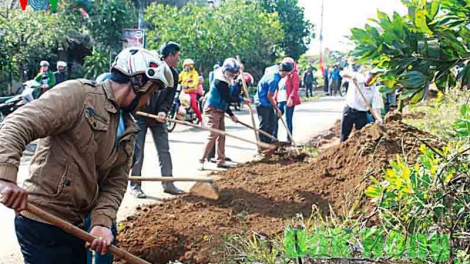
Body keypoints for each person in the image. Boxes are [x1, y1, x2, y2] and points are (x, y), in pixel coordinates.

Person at [0, 47, 173, 264]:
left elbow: (115, 183)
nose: (148, 101)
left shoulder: (129, 129)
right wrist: (5, 177)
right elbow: (17, 125)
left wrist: (101, 223)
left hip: (76, 226)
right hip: (41, 221)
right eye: (151, 93)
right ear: (139, 82)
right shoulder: (79, 95)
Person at [130, 41, 183, 199]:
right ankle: (135, 185)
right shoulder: (149, 69)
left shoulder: (173, 75)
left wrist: (163, 111)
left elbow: (169, 98)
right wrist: (139, 108)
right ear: (170, 55)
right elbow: (140, 91)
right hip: (140, 114)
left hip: (158, 118)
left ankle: (168, 183)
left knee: (164, 149)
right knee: (138, 151)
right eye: (177, 56)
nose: (178, 59)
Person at [199, 58, 250, 170]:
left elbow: (226, 100)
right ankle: (201, 160)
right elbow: (227, 98)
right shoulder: (220, 81)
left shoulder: (228, 79)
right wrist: (241, 101)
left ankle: (220, 160)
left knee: (222, 135)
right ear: (225, 70)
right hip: (212, 110)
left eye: (234, 74)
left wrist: (231, 114)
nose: (232, 76)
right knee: (213, 134)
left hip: (220, 108)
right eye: (230, 73)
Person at [339, 59, 383, 142]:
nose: (370, 79)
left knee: (361, 136)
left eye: (373, 78)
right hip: (349, 110)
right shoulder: (357, 77)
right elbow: (341, 73)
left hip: (361, 114)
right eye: (370, 76)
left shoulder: (375, 91)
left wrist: (379, 119)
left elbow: (376, 108)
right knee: (344, 135)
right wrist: (350, 77)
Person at [255, 60, 292, 148]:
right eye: (287, 73)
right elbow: (269, 96)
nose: (287, 75)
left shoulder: (275, 72)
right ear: (284, 72)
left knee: (271, 123)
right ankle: (262, 146)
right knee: (264, 125)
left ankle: (269, 144)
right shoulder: (274, 79)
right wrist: (277, 109)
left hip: (267, 103)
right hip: (262, 102)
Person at [273, 57, 301, 142]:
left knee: (288, 120)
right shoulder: (280, 75)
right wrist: (274, 99)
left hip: (288, 100)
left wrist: (291, 98)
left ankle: (289, 139)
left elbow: (295, 87)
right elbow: (276, 88)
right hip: (280, 100)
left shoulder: (294, 75)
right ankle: (274, 137)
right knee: (275, 119)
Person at [179, 59, 203, 124]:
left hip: (192, 92)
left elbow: (195, 82)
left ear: (191, 66)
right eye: (185, 66)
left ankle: (201, 121)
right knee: (177, 100)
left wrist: (191, 86)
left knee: (194, 106)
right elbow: (178, 79)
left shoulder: (195, 73)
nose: (187, 67)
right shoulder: (183, 73)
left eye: (188, 66)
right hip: (184, 91)